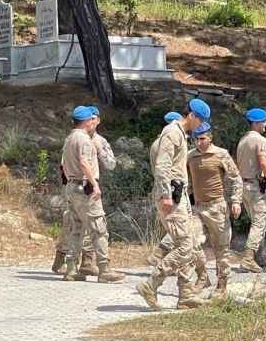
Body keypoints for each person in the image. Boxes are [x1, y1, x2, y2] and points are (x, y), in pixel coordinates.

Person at [136, 99, 211, 310]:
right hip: (171, 197)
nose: (201, 125)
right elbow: (162, 166)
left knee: (188, 243)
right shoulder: (172, 132)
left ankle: (186, 293)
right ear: (192, 116)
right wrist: (166, 195)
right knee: (186, 246)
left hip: (180, 196)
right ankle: (152, 284)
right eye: (201, 120)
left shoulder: (180, 134)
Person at [59, 106, 124, 283]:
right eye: (91, 119)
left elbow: (64, 165)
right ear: (87, 121)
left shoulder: (69, 139)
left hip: (72, 187)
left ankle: (71, 269)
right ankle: (104, 269)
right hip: (85, 188)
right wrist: (94, 185)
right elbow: (84, 163)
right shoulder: (85, 140)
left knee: (75, 229)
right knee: (99, 229)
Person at [187, 122, 242, 298]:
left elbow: (235, 178)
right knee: (191, 243)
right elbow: (186, 180)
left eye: (202, 139)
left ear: (210, 138)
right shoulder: (190, 156)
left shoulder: (221, 154)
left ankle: (222, 283)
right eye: (196, 139)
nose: (199, 142)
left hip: (217, 207)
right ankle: (202, 277)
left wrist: (236, 201)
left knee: (221, 248)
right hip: (198, 207)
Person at [236, 108, 266, 273]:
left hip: (243, 186)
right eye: (264, 121)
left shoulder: (243, 140)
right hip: (255, 186)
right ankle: (248, 258)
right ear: (256, 123)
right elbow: (263, 162)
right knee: (259, 222)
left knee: (257, 222)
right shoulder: (260, 140)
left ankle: (259, 258)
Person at [145, 112, 183, 267]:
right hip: (171, 189)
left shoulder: (156, 142)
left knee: (176, 226)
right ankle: (162, 255)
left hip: (161, 187)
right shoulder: (168, 142)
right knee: (181, 226)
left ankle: (164, 255)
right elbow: (166, 168)